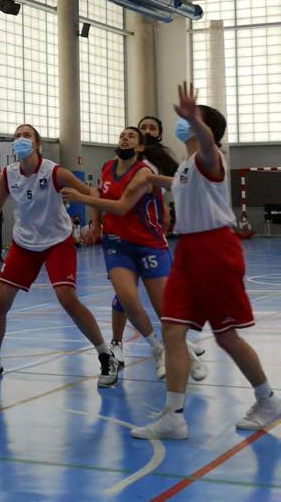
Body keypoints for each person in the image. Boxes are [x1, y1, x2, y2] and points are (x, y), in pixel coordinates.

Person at [131, 83, 281, 439]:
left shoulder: (211, 158)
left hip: (215, 250)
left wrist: (195, 120)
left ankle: (268, 400)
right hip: (188, 252)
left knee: (226, 337)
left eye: (193, 120)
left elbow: (208, 147)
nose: (183, 123)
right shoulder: (186, 167)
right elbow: (178, 183)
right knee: (172, 330)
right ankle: (173, 417)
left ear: (204, 128)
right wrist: (149, 178)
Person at [0, 124, 118, 386]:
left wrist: (96, 223)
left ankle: (106, 355)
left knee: (67, 299)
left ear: (37, 144)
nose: (21, 139)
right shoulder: (9, 174)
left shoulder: (54, 172)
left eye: (26, 135)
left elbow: (92, 193)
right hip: (24, 243)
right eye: (17, 136)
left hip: (57, 241)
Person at [64, 126, 205, 383]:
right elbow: (99, 194)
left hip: (147, 243)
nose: (124, 138)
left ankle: (185, 352)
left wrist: (82, 199)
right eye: (122, 135)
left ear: (140, 147)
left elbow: (121, 208)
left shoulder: (142, 172)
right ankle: (157, 348)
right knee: (127, 297)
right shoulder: (107, 167)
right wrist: (95, 223)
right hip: (117, 244)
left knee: (164, 308)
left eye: (131, 136)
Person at [108, 116, 205, 367]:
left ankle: (177, 342)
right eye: (143, 128)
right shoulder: (121, 163)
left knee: (164, 296)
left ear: (158, 135)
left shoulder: (159, 161)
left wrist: (165, 211)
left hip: (149, 233)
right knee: (124, 295)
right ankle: (117, 343)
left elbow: (171, 186)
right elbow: (110, 195)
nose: (147, 131)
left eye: (152, 128)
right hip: (123, 234)